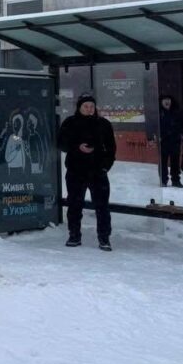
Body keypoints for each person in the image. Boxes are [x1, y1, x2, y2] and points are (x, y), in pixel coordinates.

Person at [58, 93, 116, 251]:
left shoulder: (103, 124)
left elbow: (111, 149)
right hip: (76, 171)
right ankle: (74, 235)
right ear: (79, 107)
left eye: (92, 106)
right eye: (86, 106)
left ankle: (104, 238)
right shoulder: (70, 122)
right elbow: (61, 143)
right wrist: (77, 147)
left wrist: (105, 167)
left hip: (98, 172)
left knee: (102, 207)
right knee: (74, 205)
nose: (89, 109)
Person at [159, 95, 183, 188]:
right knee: (163, 162)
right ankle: (163, 180)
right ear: (161, 102)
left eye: (168, 100)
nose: (167, 102)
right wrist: (152, 137)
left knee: (175, 162)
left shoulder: (176, 112)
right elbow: (153, 125)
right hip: (163, 141)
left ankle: (176, 180)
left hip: (175, 140)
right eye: (165, 100)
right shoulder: (159, 113)